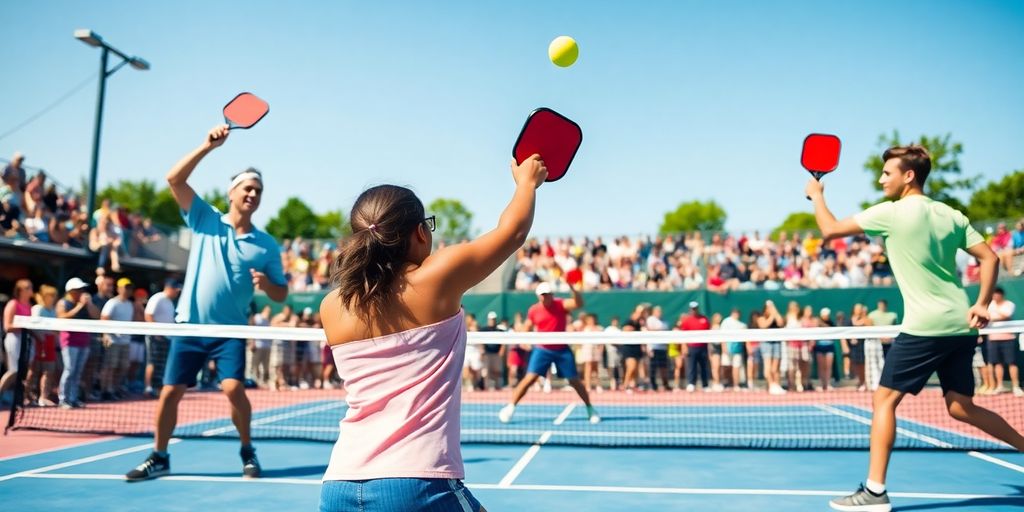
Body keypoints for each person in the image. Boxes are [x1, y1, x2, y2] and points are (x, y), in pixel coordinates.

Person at [319, 155, 548, 511]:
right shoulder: (437, 278)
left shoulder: (332, 306)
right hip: (416, 483)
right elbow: (512, 233)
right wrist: (527, 184)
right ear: (420, 232)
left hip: (339, 486)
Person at [807, 144, 1024, 511]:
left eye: (887, 173)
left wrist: (816, 195)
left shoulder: (891, 213)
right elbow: (990, 258)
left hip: (925, 326)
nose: (881, 179)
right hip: (960, 323)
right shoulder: (950, 214)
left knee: (884, 400)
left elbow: (828, 230)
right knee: (960, 407)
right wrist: (982, 303)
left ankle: (874, 492)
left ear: (909, 176)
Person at [125, 124, 287, 481]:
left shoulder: (266, 244)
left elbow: (282, 293)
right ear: (232, 192)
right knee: (169, 393)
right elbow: (174, 178)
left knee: (232, 388)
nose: (253, 194)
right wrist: (207, 146)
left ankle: (247, 449)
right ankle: (160, 455)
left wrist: (268, 284)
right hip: (190, 325)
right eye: (248, 188)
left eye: (258, 191)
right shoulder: (205, 218)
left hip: (229, 330)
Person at [498, 281, 600, 424]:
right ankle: (510, 408)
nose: (546, 298)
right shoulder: (533, 310)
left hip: (562, 349)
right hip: (542, 349)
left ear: (552, 295)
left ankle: (590, 409)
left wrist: (574, 291)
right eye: (543, 295)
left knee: (574, 381)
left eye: (548, 295)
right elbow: (527, 326)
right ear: (539, 297)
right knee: (529, 379)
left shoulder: (561, 305)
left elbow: (579, 304)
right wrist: (522, 339)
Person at [56, 278, 100, 408]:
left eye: (82, 290)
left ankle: (73, 398)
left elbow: (97, 316)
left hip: (84, 341)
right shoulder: (63, 302)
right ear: (71, 291)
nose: (81, 292)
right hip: (69, 342)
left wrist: (89, 304)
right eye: (78, 290)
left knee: (78, 372)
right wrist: (79, 306)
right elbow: (62, 317)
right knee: (69, 370)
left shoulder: (86, 303)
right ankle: (63, 399)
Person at [143, 279, 181, 398]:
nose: (177, 293)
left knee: (162, 363)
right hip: (155, 337)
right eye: (175, 290)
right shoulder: (157, 298)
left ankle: (158, 387)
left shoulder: (170, 302)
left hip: (166, 338)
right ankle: (148, 388)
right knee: (152, 362)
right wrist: (157, 333)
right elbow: (148, 315)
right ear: (169, 288)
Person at [1, 279, 34, 401]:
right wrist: (24, 326)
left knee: (22, 371)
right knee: (14, 370)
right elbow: (7, 326)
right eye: (28, 287)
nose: (31, 289)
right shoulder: (13, 304)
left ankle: (18, 398)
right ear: (20, 290)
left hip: (24, 340)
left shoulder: (29, 306)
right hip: (13, 339)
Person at [28, 284, 59, 406]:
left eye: (54, 296)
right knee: (33, 371)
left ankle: (43, 397)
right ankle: (27, 396)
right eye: (50, 295)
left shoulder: (53, 310)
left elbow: (55, 329)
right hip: (38, 342)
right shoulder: (38, 309)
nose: (52, 298)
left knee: (49, 371)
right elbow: (35, 327)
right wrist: (41, 340)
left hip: (50, 342)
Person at [986, 287, 1021, 396]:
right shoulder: (990, 304)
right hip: (993, 338)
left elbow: (1006, 316)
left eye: (996, 294)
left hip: (1008, 338)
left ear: (1001, 295)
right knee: (997, 363)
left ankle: (1016, 387)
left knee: (1012, 363)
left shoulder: (1009, 304)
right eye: (993, 294)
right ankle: (999, 386)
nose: (994, 296)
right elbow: (988, 317)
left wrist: (994, 315)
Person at [680, 301, 711, 392]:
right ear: (690, 309)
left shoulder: (704, 319)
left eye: (695, 308)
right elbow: (683, 335)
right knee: (691, 366)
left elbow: (709, 334)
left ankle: (705, 385)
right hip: (692, 347)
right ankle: (691, 384)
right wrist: (684, 346)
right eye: (692, 308)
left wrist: (709, 348)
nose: (694, 310)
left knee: (704, 366)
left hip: (703, 347)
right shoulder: (686, 320)